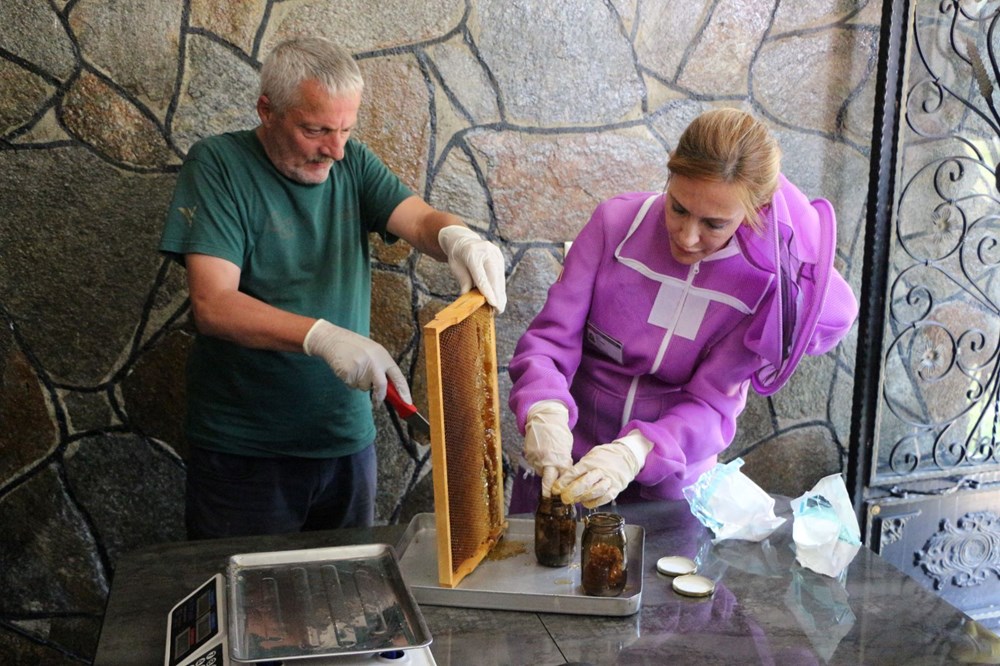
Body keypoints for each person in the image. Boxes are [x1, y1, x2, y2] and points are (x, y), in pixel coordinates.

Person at [159, 36, 506, 539]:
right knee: (249, 588)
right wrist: (320, 336)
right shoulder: (218, 164)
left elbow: (420, 220)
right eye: (316, 130)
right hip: (246, 453)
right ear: (267, 111)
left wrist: (459, 238)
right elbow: (214, 304)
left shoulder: (352, 161)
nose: (335, 149)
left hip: (346, 444)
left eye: (345, 129)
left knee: (347, 586)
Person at [507, 108, 857, 513]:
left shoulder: (762, 287)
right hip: (563, 461)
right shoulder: (614, 225)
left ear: (756, 210)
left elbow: (712, 405)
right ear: (670, 174)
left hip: (669, 485)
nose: (688, 238)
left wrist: (634, 451)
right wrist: (544, 409)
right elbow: (550, 341)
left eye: (714, 224)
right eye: (677, 208)